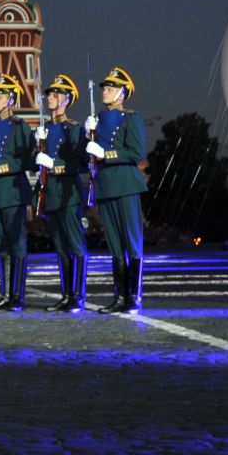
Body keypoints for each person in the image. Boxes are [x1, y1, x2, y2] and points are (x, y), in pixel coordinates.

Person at [86, 66, 147, 313]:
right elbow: (89, 156)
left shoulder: (131, 118)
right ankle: (119, 297)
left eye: (110, 88)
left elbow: (136, 152)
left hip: (125, 184)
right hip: (105, 186)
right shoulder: (97, 120)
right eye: (105, 88)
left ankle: (134, 297)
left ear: (122, 94)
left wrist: (106, 154)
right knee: (114, 243)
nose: (105, 91)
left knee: (132, 242)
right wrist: (86, 137)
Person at [0, 76, 35, 312]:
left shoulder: (19, 126)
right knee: (1, 244)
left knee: (17, 244)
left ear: (11, 100)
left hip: (13, 190)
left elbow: (27, 159)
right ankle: (5, 294)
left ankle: (17, 296)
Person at [37, 74, 90, 313]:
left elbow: (82, 164)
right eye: (49, 93)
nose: (51, 97)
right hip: (51, 195)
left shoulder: (74, 129)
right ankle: (66, 294)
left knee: (75, 245)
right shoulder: (44, 129)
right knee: (60, 247)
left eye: (56, 94)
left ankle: (78, 296)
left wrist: (54, 163)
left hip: (69, 194)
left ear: (66, 100)